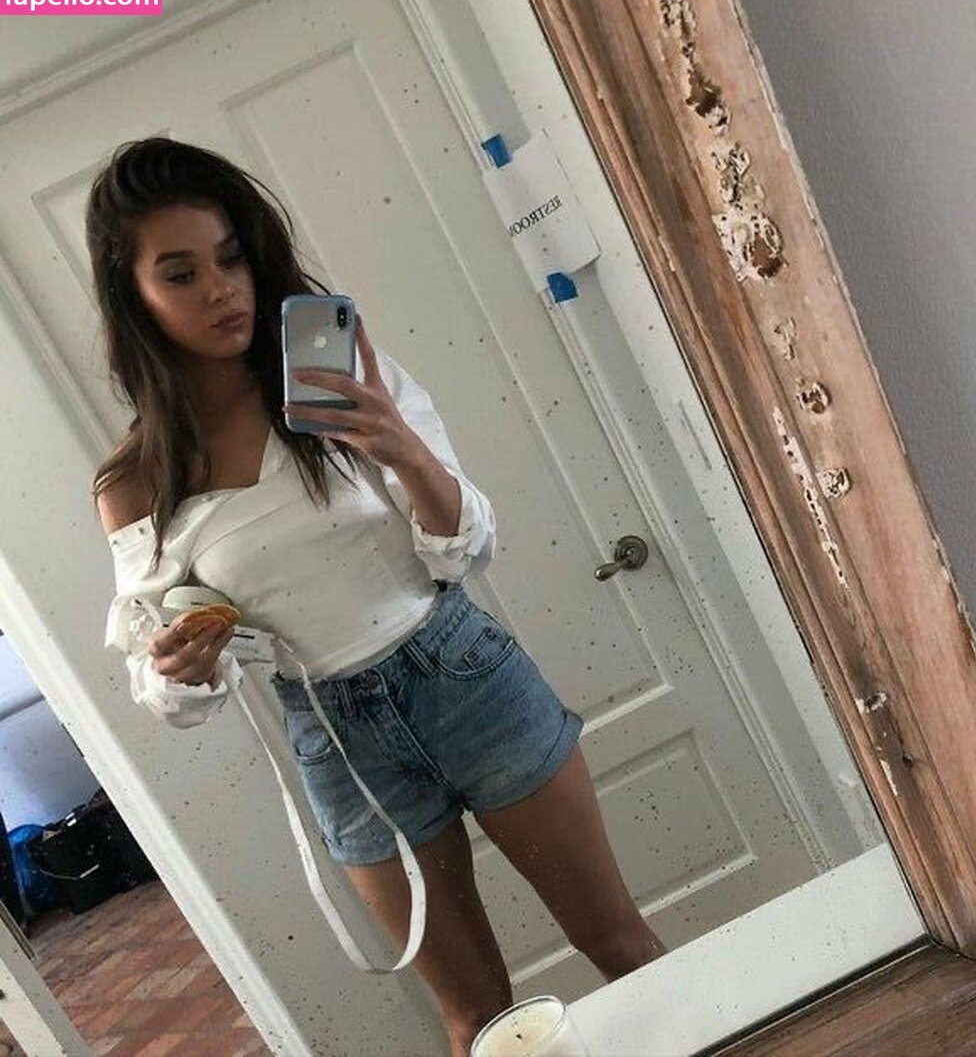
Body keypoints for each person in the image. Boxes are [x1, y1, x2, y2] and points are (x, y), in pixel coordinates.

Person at [89, 137, 664, 1056]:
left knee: (622, 946)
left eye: (231, 257)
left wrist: (399, 443)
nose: (221, 290)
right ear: (134, 295)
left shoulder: (342, 377)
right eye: (181, 273)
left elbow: (467, 546)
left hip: (464, 674)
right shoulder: (137, 483)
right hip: (337, 737)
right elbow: (172, 689)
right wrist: (178, 667)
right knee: (476, 1018)